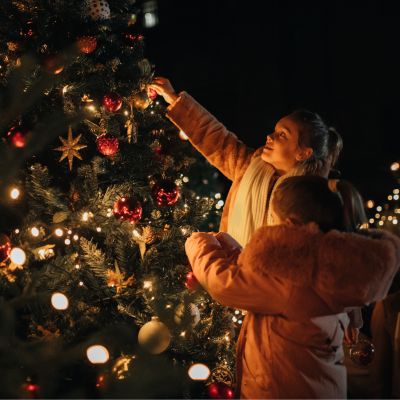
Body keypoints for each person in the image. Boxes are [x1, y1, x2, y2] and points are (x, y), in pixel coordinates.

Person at [184, 176, 400, 399]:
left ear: (291, 224)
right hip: (322, 387)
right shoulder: (326, 265)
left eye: (273, 219)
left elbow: (224, 282)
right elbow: (261, 277)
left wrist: (199, 242)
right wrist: (227, 244)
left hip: (280, 390)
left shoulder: (292, 281)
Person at [148, 78, 343, 247]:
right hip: (236, 277)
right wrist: (174, 98)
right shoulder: (249, 166)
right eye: (275, 130)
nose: (269, 136)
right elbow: (216, 138)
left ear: (303, 153)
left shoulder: (315, 200)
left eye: (282, 135)